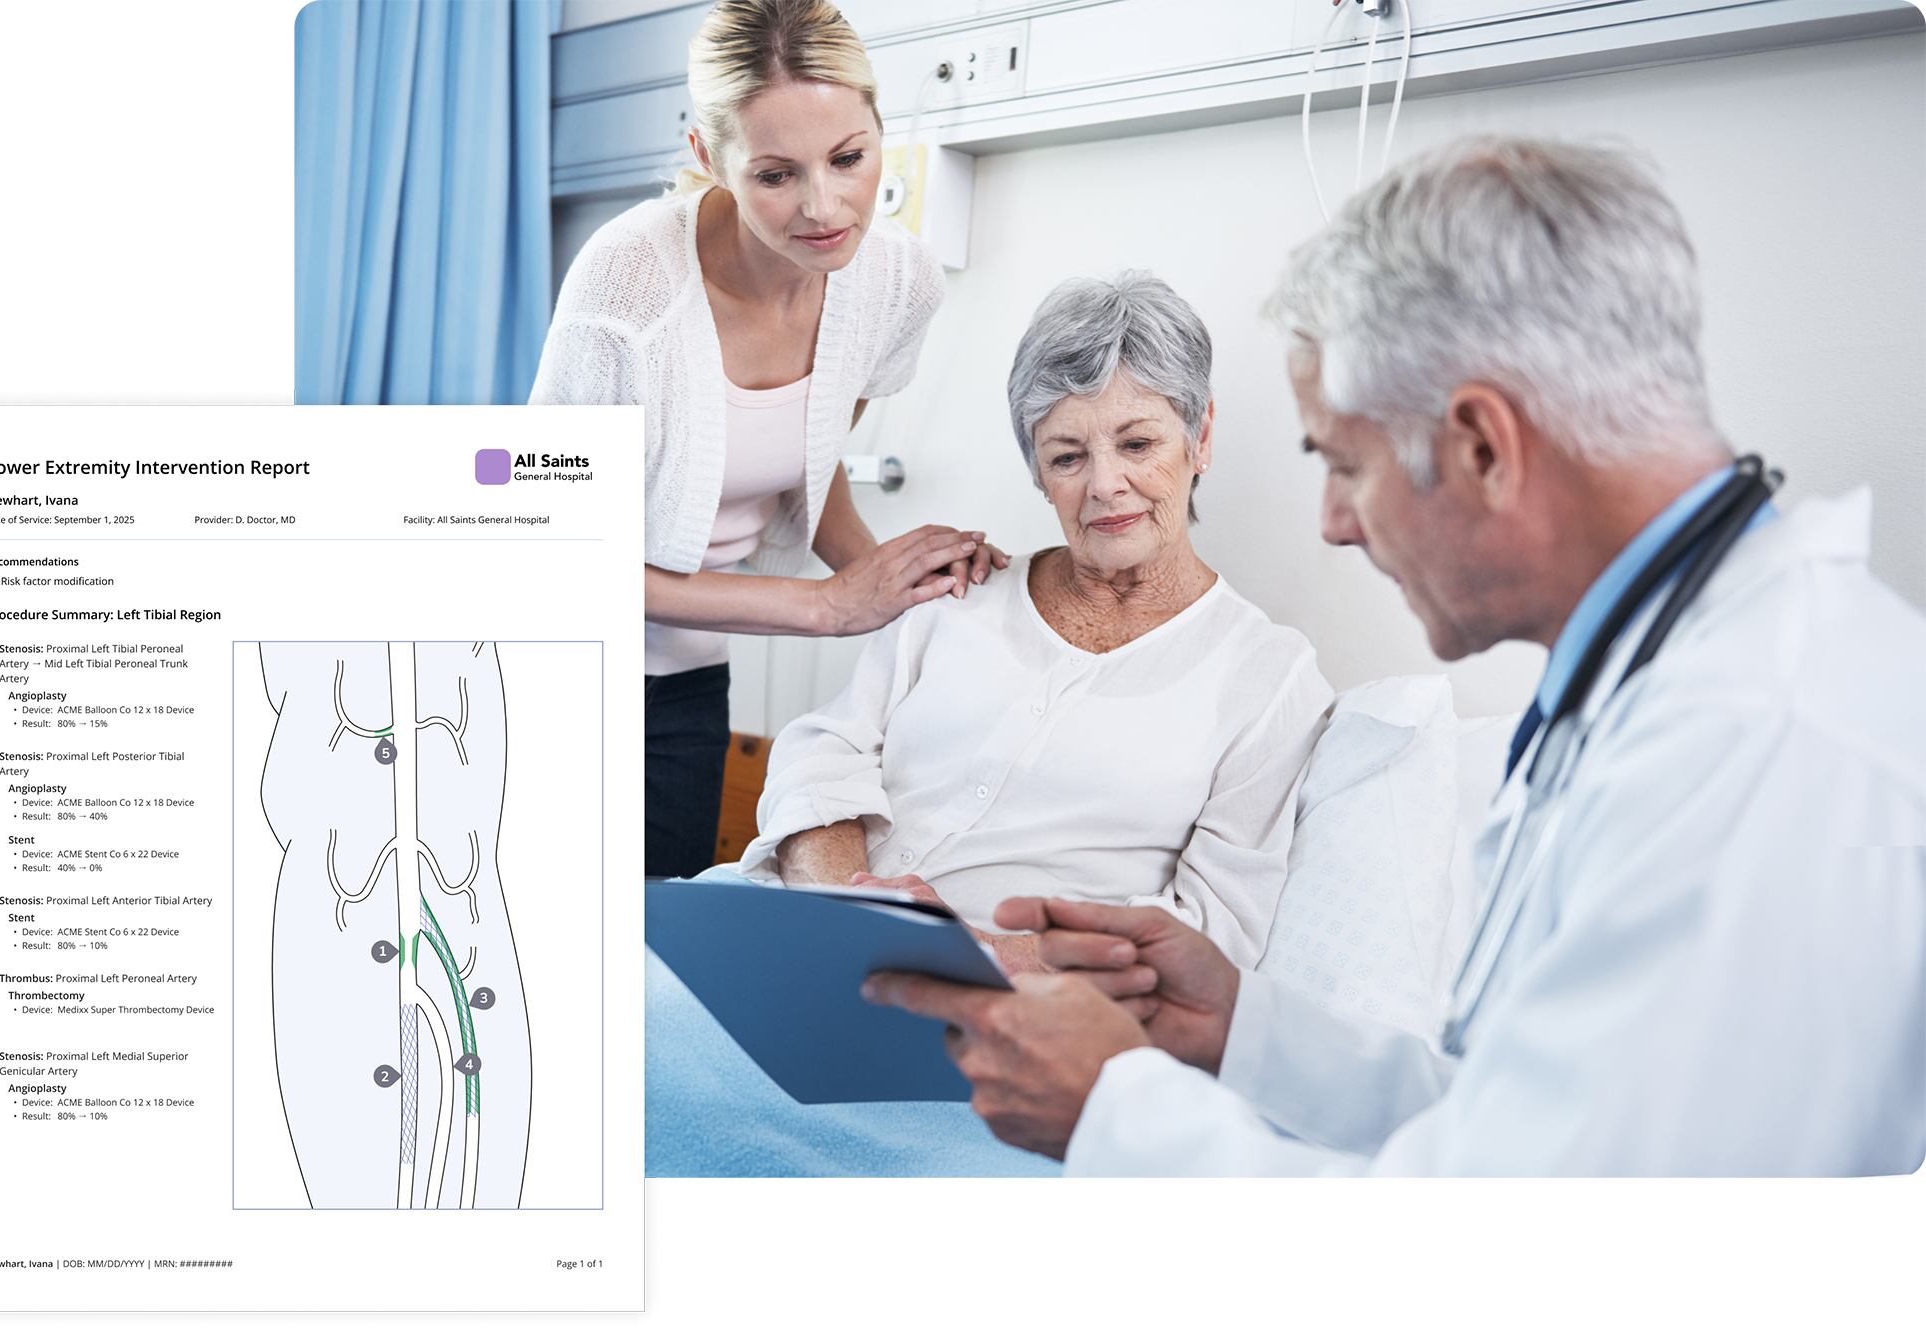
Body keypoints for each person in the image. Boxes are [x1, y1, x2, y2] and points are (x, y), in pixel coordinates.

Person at [861, 137, 1926, 1317]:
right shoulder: (1671, 685)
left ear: (1480, 444)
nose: (1327, 526)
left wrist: (1115, 1109)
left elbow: (1527, 1262)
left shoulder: (1762, 753)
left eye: (1344, 464)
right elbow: (1524, 1126)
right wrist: (1248, 1032)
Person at [530, 0, 1007, 877]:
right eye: (777, 175)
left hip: (684, 678)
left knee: (654, 958)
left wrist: (904, 581)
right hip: (541, 664)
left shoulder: (897, 280)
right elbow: (555, 552)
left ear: (877, 134)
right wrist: (826, 607)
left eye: (850, 160)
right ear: (708, 159)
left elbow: (809, 474)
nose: (825, 207)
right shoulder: (628, 282)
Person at [737, 272, 1334, 971]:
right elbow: (823, 753)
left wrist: (985, 957)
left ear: (1198, 438)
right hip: (794, 925)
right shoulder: (960, 590)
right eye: (1068, 456)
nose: (1105, 484)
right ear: (1037, 470)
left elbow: (1215, 927)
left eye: (1138, 444)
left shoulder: (1270, 677)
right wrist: (847, 900)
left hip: (1010, 1014)